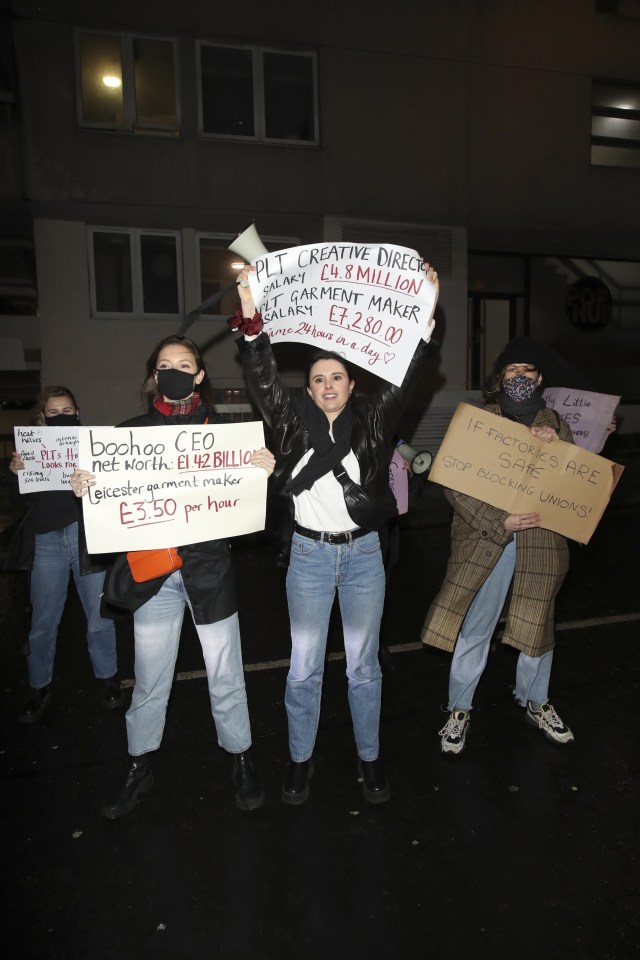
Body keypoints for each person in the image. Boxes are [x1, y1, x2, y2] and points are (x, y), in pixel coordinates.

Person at [230, 262, 439, 805]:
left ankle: (369, 759)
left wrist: (425, 311)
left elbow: (406, 376)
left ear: (352, 383)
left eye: (337, 377)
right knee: (303, 668)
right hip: (309, 559)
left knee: (363, 669)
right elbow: (262, 375)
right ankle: (302, 759)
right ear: (310, 385)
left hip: (365, 557)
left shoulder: (373, 421)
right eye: (318, 378)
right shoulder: (290, 420)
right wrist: (251, 313)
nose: (327, 386)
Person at [71, 335, 276, 818]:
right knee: (149, 680)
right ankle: (140, 764)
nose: (175, 372)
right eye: (165, 365)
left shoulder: (229, 437)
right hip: (153, 577)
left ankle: (241, 756)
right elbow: (107, 507)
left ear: (200, 375)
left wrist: (261, 470)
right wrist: (86, 485)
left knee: (226, 674)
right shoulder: (126, 437)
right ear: (153, 376)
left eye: (185, 364)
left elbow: (250, 502)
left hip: (210, 573)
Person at [421, 337, 576, 755]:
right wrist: (498, 521)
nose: (520, 377)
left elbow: (576, 483)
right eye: (512, 370)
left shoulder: (556, 423)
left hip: (540, 542)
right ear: (499, 378)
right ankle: (458, 709)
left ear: (539, 377)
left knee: (536, 626)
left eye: (528, 370)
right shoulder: (477, 422)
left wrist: (557, 444)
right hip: (489, 539)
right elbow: (454, 485)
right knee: (476, 627)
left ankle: (536, 701)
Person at [6, 386, 121, 723]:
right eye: (53, 413)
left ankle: (109, 678)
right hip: (44, 541)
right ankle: (39, 685)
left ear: (77, 412)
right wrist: (14, 474)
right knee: (43, 620)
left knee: (99, 615)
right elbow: (18, 502)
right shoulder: (28, 450)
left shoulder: (90, 445)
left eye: (66, 410)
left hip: (83, 535)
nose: (61, 417)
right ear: (42, 418)